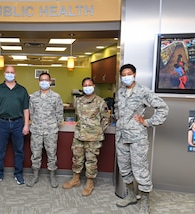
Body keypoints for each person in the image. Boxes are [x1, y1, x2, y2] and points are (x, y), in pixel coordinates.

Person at [114, 64, 169, 214]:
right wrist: (117, 117)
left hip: (137, 137)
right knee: (124, 168)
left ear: (134, 74)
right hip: (121, 136)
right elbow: (117, 109)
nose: (126, 76)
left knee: (140, 170)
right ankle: (131, 195)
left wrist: (148, 122)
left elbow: (163, 107)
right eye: (123, 74)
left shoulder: (143, 91)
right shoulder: (120, 92)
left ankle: (145, 202)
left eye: (129, 74)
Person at [62, 77, 110, 196]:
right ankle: (76, 179)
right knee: (77, 158)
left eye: (89, 85)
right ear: (82, 87)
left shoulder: (100, 102)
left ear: (93, 86)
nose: (87, 87)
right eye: (85, 85)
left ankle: (90, 183)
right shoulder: (78, 101)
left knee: (91, 161)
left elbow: (106, 119)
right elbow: (78, 116)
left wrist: (98, 132)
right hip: (79, 136)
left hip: (93, 138)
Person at [0, 65, 30, 186]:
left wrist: (26, 125)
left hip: (18, 123)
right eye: (7, 72)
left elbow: (26, 110)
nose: (10, 74)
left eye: (12, 72)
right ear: (4, 74)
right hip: (1, 123)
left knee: (19, 151)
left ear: (15, 74)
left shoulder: (22, 90)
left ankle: (18, 174)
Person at [26, 72, 64, 188]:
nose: (44, 82)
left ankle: (52, 176)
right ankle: (35, 176)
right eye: (42, 80)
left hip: (51, 131)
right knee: (35, 154)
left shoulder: (56, 97)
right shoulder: (33, 97)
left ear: (50, 81)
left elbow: (59, 114)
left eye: (46, 80)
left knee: (52, 154)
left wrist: (52, 125)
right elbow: (31, 112)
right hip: (36, 130)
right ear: (39, 82)